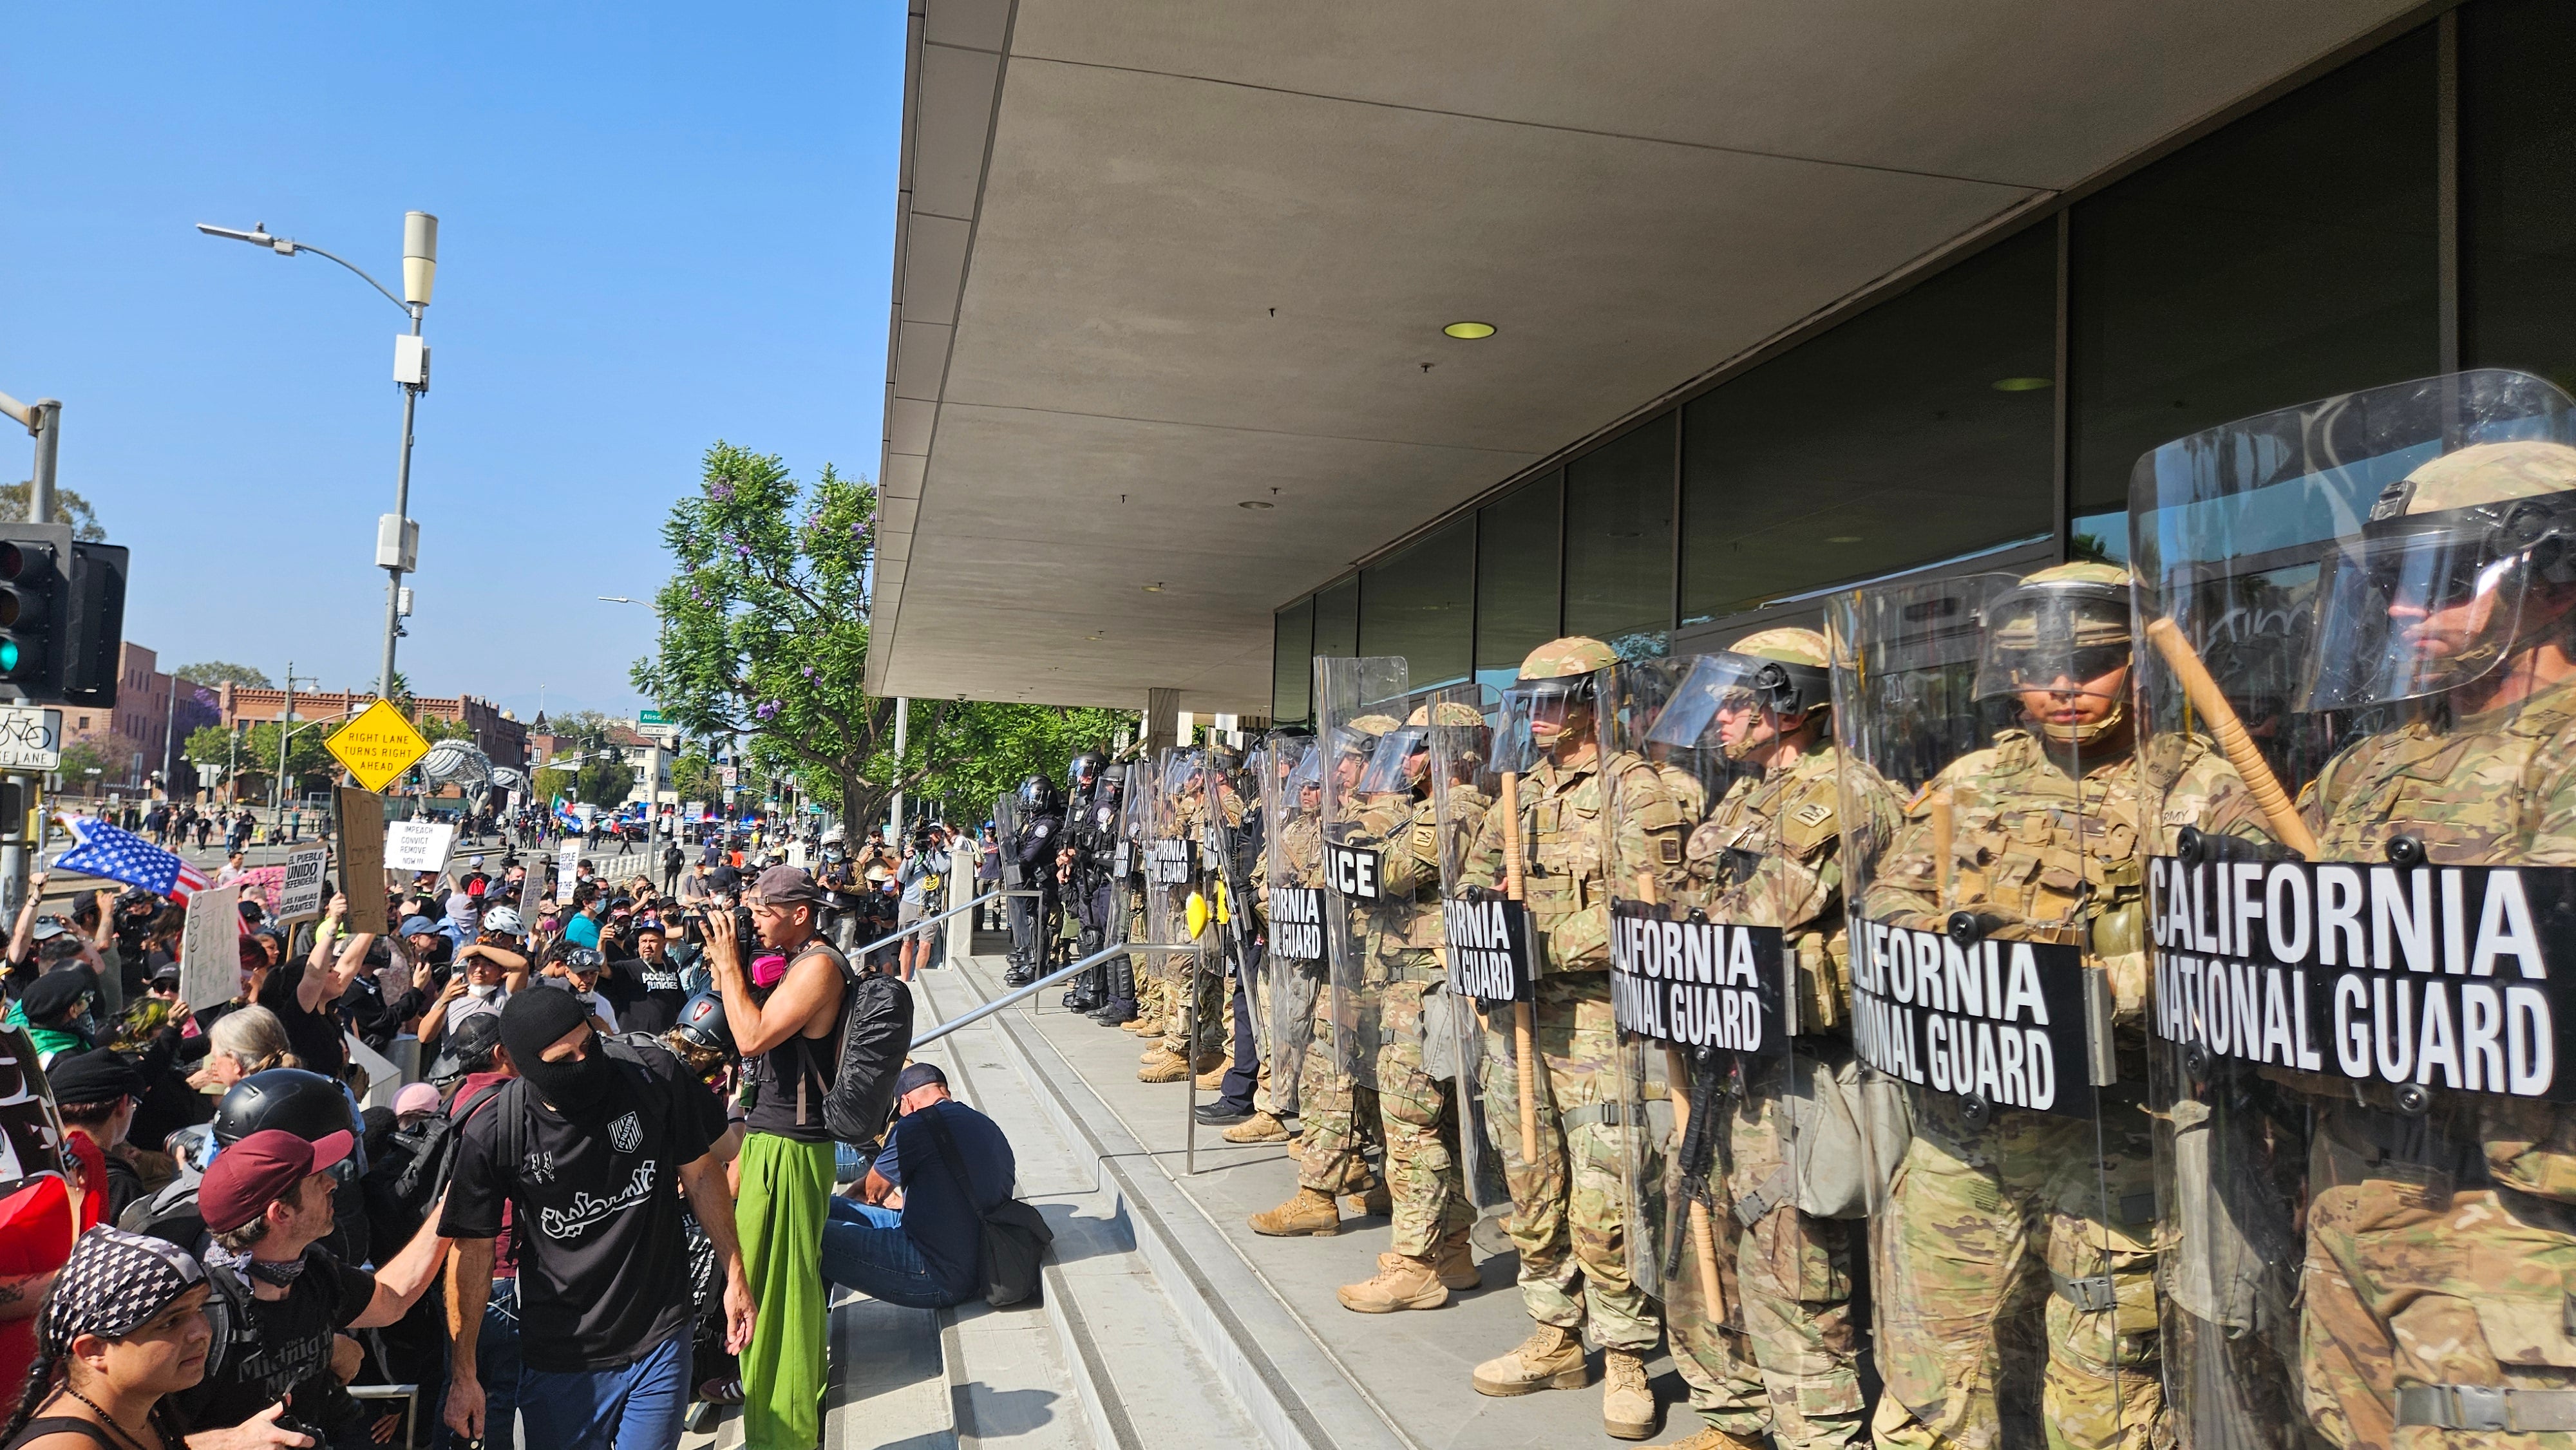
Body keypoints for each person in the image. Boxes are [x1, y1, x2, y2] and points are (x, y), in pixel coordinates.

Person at [1455, 637, 1663, 1440]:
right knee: (1532, 1185)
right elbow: (1473, 884)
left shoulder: (1634, 791)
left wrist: (1536, 939)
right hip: (1517, 1022)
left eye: (1554, 698)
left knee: (1606, 1198)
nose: (1538, 715)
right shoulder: (1518, 789)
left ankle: (1625, 1354)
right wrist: (1487, 928)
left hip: (1599, 1027)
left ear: (1593, 700)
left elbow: (1649, 912)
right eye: (1529, 699)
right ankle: (1554, 1334)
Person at [439, 988, 752, 1450]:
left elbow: (703, 1174)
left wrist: (735, 1274)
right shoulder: (496, 1132)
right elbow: (472, 1253)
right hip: (565, 1358)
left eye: (590, 1045)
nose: (585, 1062)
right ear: (519, 1060)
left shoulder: (651, 1076)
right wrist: (464, 1372)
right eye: (565, 1058)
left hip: (661, 1331)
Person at [171, 1127, 453, 1440]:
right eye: (317, 1179)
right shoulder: (197, 1313)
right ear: (281, 1213)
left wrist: (450, 1209)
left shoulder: (313, 1272)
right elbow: (129, 1430)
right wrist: (224, 1443)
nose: (332, 1183)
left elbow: (391, 1300)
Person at [703, 868, 843, 1450]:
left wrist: (731, 968)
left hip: (790, 1146)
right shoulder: (801, 960)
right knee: (782, 1290)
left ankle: (781, 1439)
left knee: (773, 1299)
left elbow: (752, 1038)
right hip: (775, 1141)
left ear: (801, 912)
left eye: (763, 910)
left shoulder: (820, 966)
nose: (753, 920)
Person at [0, 1227, 274, 1450]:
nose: (201, 1331)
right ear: (94, 1349)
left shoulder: (138, 1410)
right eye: (170, 1322)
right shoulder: (65, 1445)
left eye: (200, 1308)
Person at [820, 1064, 1012, 1310]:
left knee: (812, 1231)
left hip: (934, 1273)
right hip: (973, 1258)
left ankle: (808, 1328)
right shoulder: (987, 1125)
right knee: (827, 1209)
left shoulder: (915, 1126)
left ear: (907, 1102)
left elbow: (870, 1194)